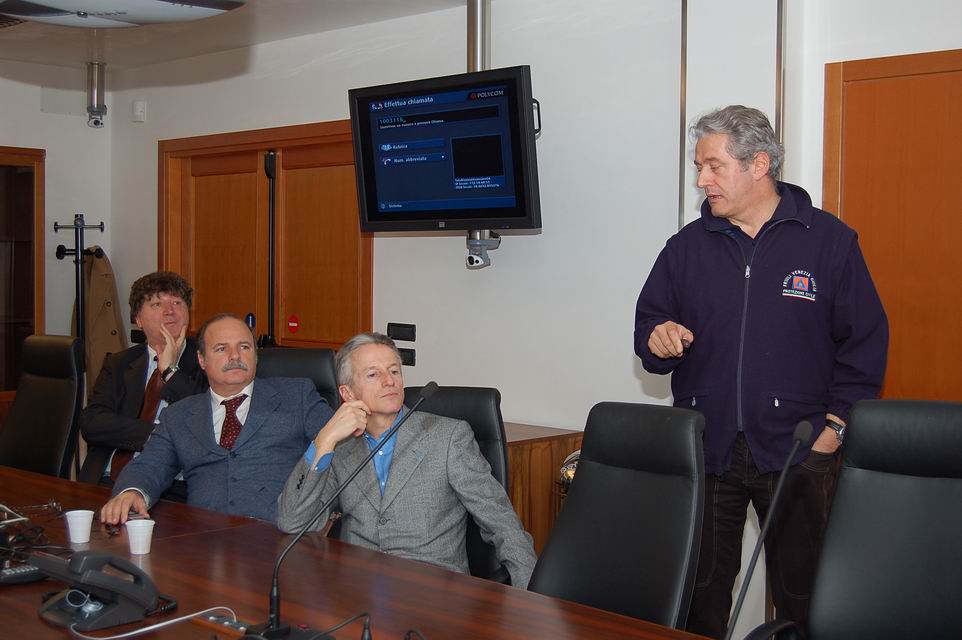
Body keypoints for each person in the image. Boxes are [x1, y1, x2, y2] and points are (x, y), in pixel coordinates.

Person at [634, 105, 888, 637]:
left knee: (806, 602)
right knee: (699, 600)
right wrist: (658, 336)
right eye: (698, 167)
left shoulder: (828, 241)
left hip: (799, 452)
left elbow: (864, 346)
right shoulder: (686, 248)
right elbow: (650, 332)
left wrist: (835, 429)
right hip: (709, 449)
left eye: (714, 167)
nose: (701, 181)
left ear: (759, 165)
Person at [276, 332, 537, 589]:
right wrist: (323, 441)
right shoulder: (341, 447)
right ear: (348, 393)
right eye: (373, 374)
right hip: (356, 589)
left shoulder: (448, 437)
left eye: (394, 371)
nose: (389, 381)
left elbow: (501, 523)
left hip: (431, 591)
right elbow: (293, 522)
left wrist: (533, 598)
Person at [100, 313, 334, 524]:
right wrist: (132, 492)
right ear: (202, 360)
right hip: (204, 540)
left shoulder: (296, 396)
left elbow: (342, 453)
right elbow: (150, 465)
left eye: (244, 347)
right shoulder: (178, 416)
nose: (235, 356)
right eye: (221, 349)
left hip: (279, 538)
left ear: (256, 356)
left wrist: (324, 516)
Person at [79, 271, 207, 492]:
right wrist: (157, 435)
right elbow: (93, 423)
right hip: (106, 479)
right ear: (138, 319)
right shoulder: (119, 363)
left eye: (177, 302)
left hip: (171, 486)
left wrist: (171, 372)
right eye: (157, 304)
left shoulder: (207, 361)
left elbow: (206, 419)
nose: (169, 311)